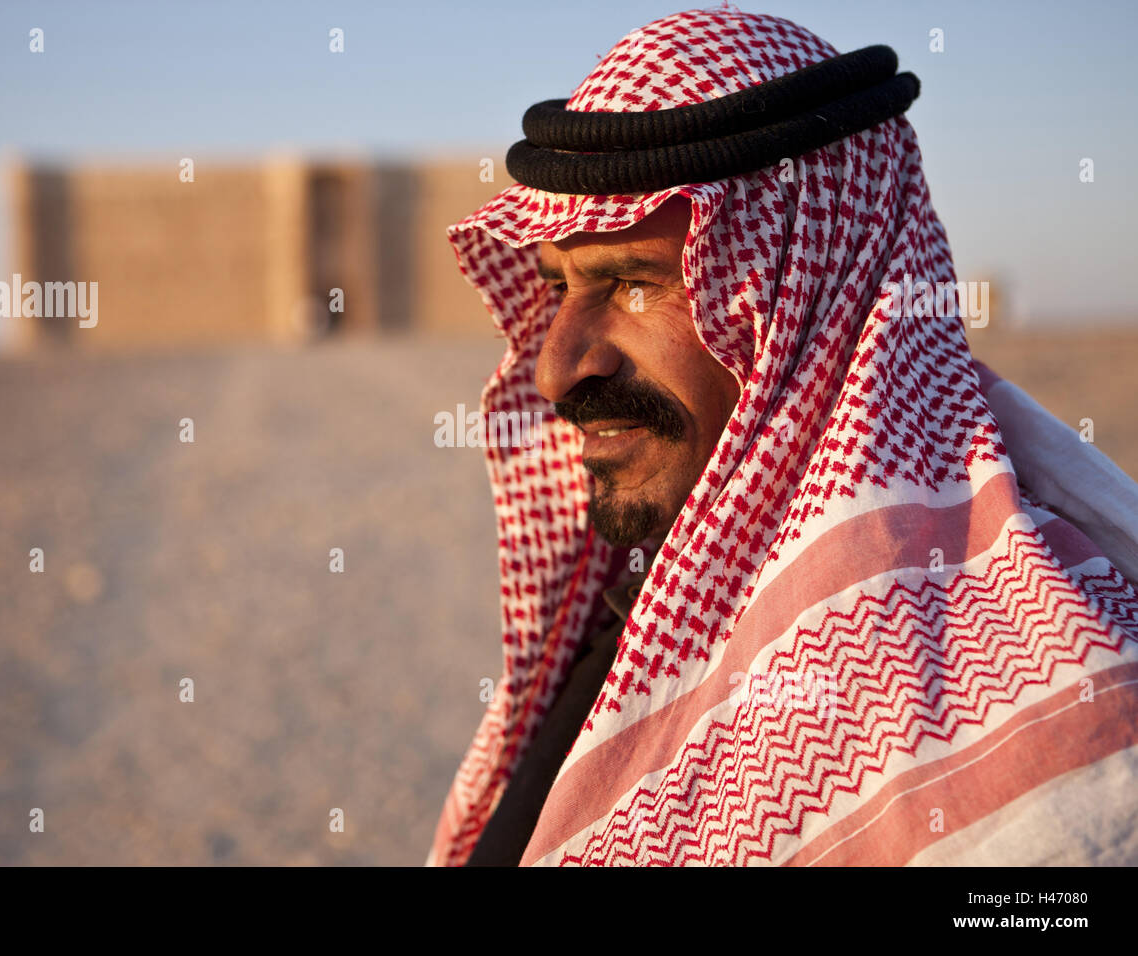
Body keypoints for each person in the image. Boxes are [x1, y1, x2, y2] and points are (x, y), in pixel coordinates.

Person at [428, 8, 1138, 866]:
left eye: (631, 283)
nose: (555, 370)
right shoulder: (635, 608)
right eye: (560, 287)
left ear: (807, 299)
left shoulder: (1053, 718)